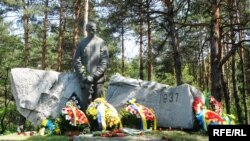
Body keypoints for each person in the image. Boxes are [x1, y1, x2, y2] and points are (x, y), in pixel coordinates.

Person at [73, 22, 109, 108]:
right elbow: (77, 61)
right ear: (86, 30)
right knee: (85, 106)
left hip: (98, 81)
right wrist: (84, 76)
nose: (91, 30)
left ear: (96, 29)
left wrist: (93, 76)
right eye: (89, 28)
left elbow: (104, 61)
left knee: (98, 107)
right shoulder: (81, 44)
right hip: (85, 82)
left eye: (93, 28)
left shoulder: (101, 42)